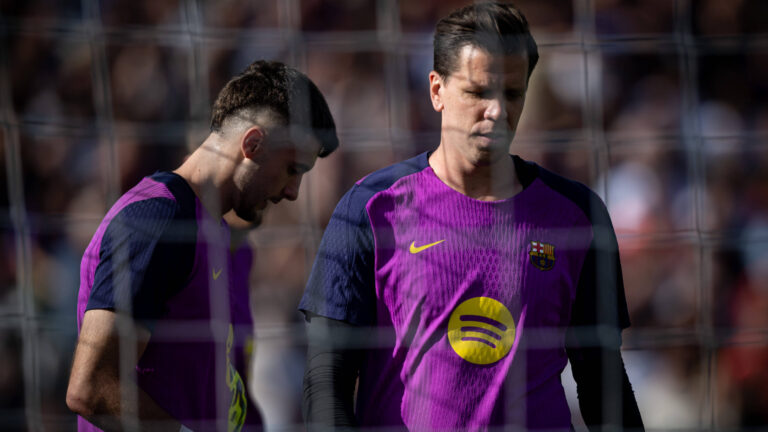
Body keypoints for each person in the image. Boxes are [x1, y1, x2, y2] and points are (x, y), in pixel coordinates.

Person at [299, 2, 644, 431]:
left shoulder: (577, 216)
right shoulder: (370, 207)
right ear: (436, 90)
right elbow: (325, 382)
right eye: (479, 92)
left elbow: (603, 381)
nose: (497, 111)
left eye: (512, 94)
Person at [66, 60, 339, 431]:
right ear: (253, 143)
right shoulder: (158, 219)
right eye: (293, 170)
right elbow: (91, 388)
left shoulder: (215, 232)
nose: (293, 192)